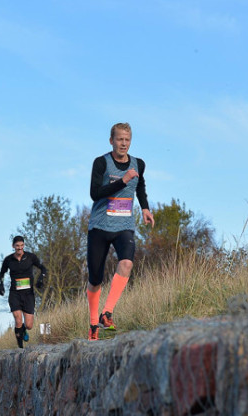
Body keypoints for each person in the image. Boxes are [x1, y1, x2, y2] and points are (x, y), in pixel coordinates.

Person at [86, 122, 154, 341]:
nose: (123, 143)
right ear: (111, 141)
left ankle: (107, 313)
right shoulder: (101, 163)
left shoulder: (138, 164)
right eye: (119, 139)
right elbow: (95, 194)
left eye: (127, 139)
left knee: (127, 263)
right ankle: (93, 323)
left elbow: (139, 186)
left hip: (124, 225)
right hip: (100, 226)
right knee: (95, 279)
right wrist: (120, 182)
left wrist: (145, 208)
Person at [0, 235, 47, 348]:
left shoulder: (30, 257)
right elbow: (1, 273)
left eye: (21, 246)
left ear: (23, 245)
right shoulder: (8, 260)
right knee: (18, 319)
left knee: (29, 325)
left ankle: (24, 330)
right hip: (15, 293)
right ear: (13, 246)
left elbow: (43, 268)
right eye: (17, 246)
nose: (19, 248)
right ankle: (20, 347)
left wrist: (41, 278)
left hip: (28, 294)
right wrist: (0, 285)